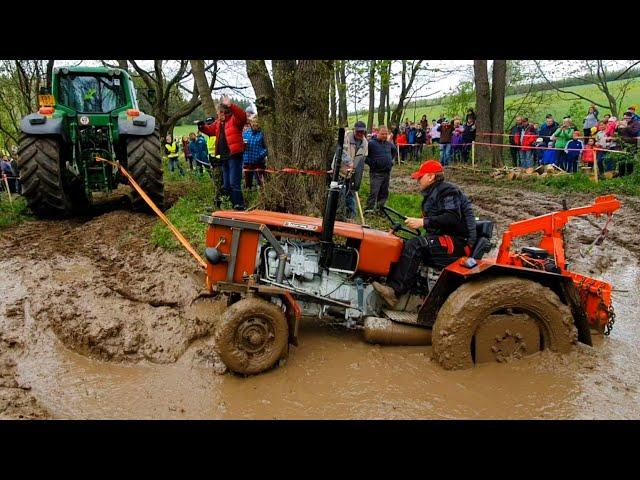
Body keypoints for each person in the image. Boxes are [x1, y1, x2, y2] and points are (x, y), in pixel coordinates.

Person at [371, 160, 477, 307]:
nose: (417, 181)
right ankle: (389, 282)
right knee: (404, 242)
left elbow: (452, 217)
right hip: (444, 238)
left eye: (420, 177)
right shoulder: (435, 192)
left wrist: (423, 222)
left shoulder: (447, 191)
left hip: (457, 243)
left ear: (431, 177)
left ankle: (394, 291)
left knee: (416, 245)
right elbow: (438, 220)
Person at [198, 95, 247, 211]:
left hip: (234, 156)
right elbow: (210, 130)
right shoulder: (219, 123)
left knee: (233, 182)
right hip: (224, 157)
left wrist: (231, 104)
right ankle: (231, 204)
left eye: (219, 113)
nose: (218, 115)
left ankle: (239, 205)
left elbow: (243, 116)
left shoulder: (234, 120)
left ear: (225, 112)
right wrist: (201, 126)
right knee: (226, 185)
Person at [364, 125, 396, 214]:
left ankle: (380, 210)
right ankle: (369, 210)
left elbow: (394, 151)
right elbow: (365, 156)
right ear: (377, 133)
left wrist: (390, 161)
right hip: (376, 173)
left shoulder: (388, 144)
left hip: (386, 172)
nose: (385, 136)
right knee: (374, 192)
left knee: (384, 192)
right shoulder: (371, 143)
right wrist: (373, 163)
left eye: (386, 134)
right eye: (382, 134)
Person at [242, 117, 268, 189]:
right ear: (250, 124)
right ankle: (248, 196)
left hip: (259, 162)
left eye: (256, 123)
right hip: (247, 162)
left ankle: (263, 197)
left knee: (261, 183)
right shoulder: (246, 133)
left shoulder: (262, 134)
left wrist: (260, 155)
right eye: (253, 123)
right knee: (247, 184)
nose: (255, 125)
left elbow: (267, 148)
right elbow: (242, 145)